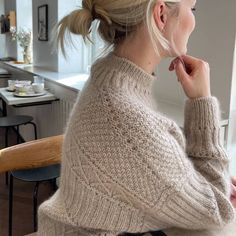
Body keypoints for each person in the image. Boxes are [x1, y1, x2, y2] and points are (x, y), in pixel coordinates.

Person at [37, 0, 236, 235]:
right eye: (192, 9)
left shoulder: (109, 78)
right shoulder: (126, 119)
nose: (193, 20)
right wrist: (202, 100)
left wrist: (203, 186)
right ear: (161, 14)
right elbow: (218, 210)